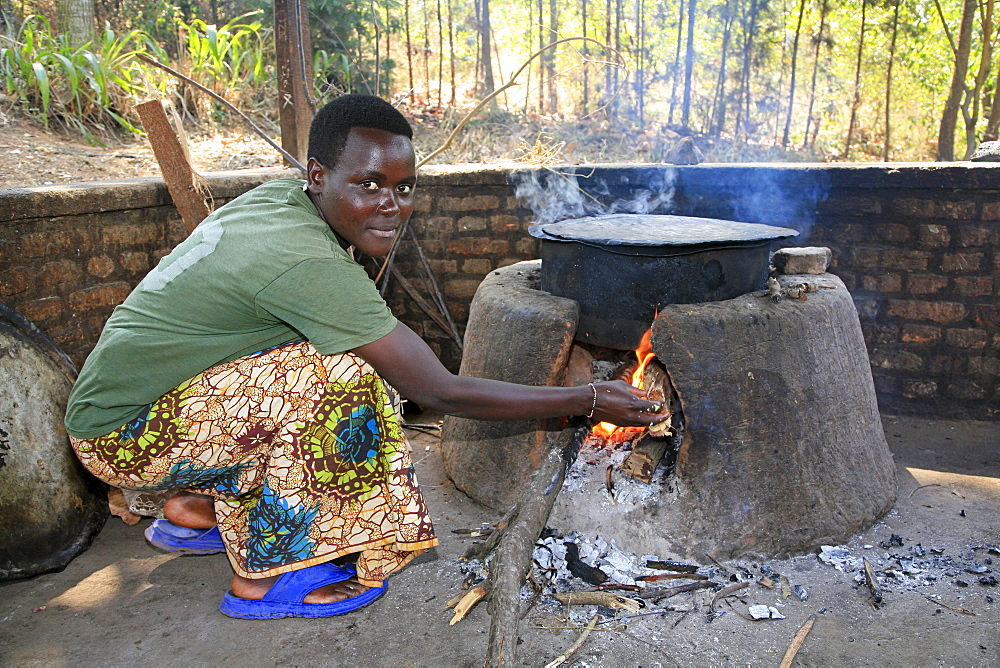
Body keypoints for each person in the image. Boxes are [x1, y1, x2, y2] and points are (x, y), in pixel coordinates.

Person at [64, 94, 665, 619]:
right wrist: (589, 397)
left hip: (130, 413)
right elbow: (439, 392)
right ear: (318, 174)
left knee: (307, 362)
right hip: (127, 438)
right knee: (351, 378)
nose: (391, 205)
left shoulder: (278, 201)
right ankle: (267, 578)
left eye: (404, 188)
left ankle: (194, 507)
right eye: (368, 184)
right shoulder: (306, 260)